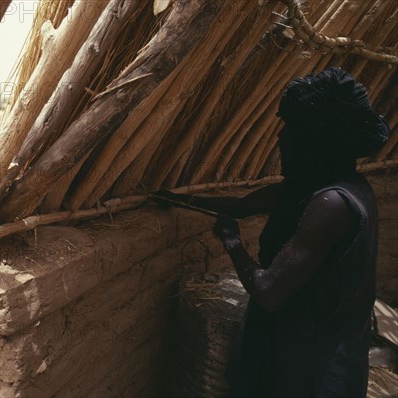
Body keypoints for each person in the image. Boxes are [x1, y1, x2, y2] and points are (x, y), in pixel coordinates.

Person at [152, 68, 390, 397]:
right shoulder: (318, 185)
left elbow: (268, 292)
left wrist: (232, 243)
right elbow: (239, 205)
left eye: (291, 131)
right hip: (292, 348)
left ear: (315, 142)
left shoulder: (332, 204)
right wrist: (175, 199)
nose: (280, 140)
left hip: (311, 367)